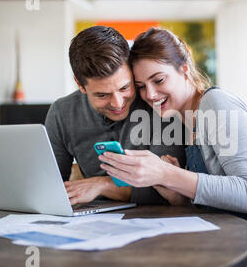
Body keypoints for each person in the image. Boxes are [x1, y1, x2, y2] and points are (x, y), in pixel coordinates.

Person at [98, 28, 247, 267]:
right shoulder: (185, 122)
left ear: (184, 69)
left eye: (158, 80)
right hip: (236, 243)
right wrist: (177, 195)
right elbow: (222, 199)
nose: (149, 94)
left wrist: (169, 174)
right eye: (141, 86)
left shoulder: (216, 102)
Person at [45, 26, 186, 206]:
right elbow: (51, 186)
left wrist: (102, 185)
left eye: (124, 88)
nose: (118, 103)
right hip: (92, 223)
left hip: (157, 219)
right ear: (80, 84)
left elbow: (162, 189)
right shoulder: (62, 113)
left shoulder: (159, 104)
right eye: (102, 95)